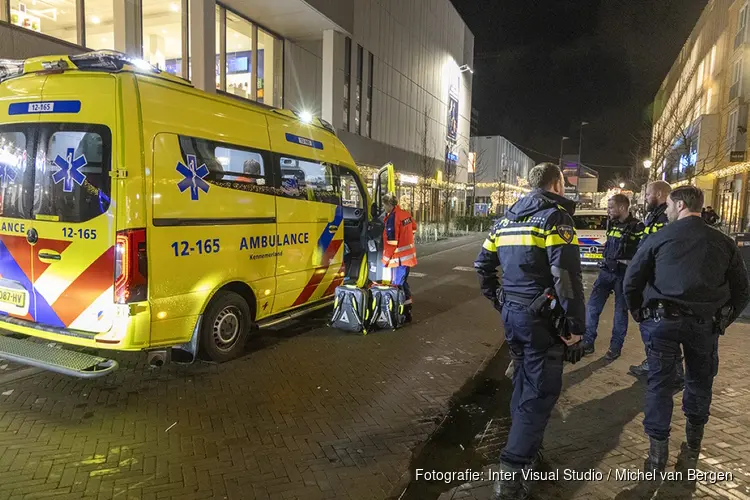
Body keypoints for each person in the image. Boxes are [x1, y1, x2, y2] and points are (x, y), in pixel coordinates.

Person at [474, 162, 585, 500]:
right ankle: (509, 475)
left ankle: (529, 453)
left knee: (524, 384)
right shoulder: (555, 218)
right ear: (557, 184)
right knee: (539, 393)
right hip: (542, 321)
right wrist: (576, 327)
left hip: (514, 316)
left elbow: (483, 266)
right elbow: (566, 277)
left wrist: (502, 300)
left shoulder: (505, 219)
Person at [623, 185, 750, 474]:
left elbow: (631, 281)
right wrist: (723, 320)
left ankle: (657, 454)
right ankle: (693, 444)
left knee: (660, 384)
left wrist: (640, 314)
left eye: (668, 205)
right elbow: (742, 291)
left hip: (662, 323)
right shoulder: (723, 242)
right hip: (704, 326)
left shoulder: (659, 238)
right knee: (699, 381)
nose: (666, 211)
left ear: (680, 205)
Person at [582, 194, 644, 360]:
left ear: (622, 207)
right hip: (606, 272)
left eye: (611, 208)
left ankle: (615, 348)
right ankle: (588, 342)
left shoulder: (637, 227)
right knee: (592, 307)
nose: (608, 211)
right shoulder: (612, 223)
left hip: (623, 275)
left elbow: (642, 254)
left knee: (620, 312)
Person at [629, 180, 677, 379]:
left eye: (648, 194)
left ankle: (656, 365)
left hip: (657, 280)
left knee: (651, 323)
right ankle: (672, 370)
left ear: (658, 193)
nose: (646, 198)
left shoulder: (666, 217)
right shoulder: (656, 216)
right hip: (652, 276)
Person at [381, 193, 417, 322]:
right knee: (403, 283)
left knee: (397, 285)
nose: (384, 208)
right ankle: (407, 311)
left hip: (398, 259)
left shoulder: (393, 217)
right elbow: (414, 228)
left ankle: (398, 313)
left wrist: (385, 260)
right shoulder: (405, 214)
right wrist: (406, 239)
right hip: (407, 257)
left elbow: (392, 242)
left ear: (389, 205)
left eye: (384, 205)